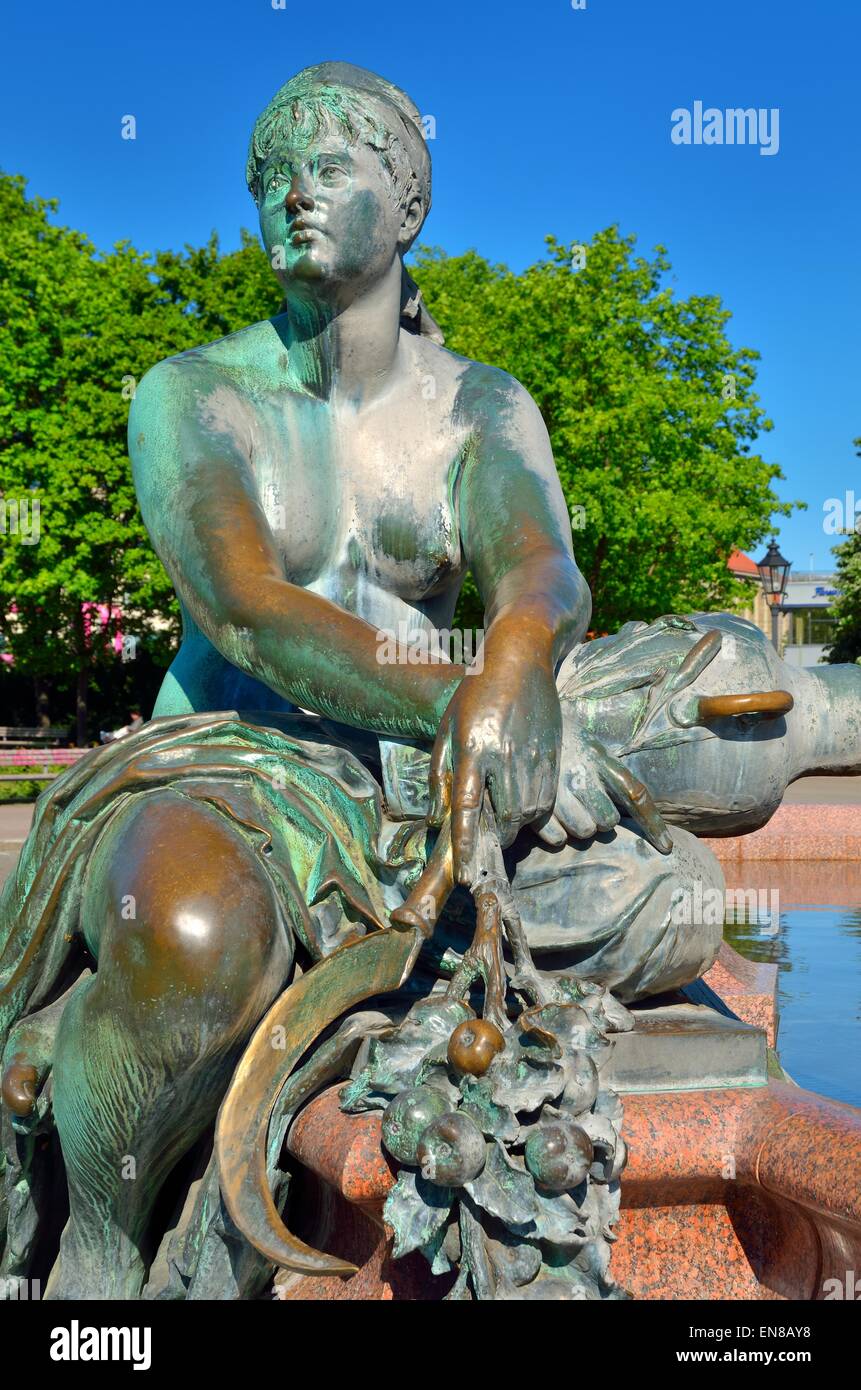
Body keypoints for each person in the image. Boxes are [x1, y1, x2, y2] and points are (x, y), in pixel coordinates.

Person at [1, 63, 858, 1299]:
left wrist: (515, 670)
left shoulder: (479, 408)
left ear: (407, 206)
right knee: (192, 943)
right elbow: (246, 606)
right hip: (239, 765)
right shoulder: (188, 395)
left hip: (423, 772)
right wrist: (467, 701)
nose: (292, 193)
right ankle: (97, 1236)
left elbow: (541, 573)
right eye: (270, 174)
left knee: (668, 893)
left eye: (330, 166)